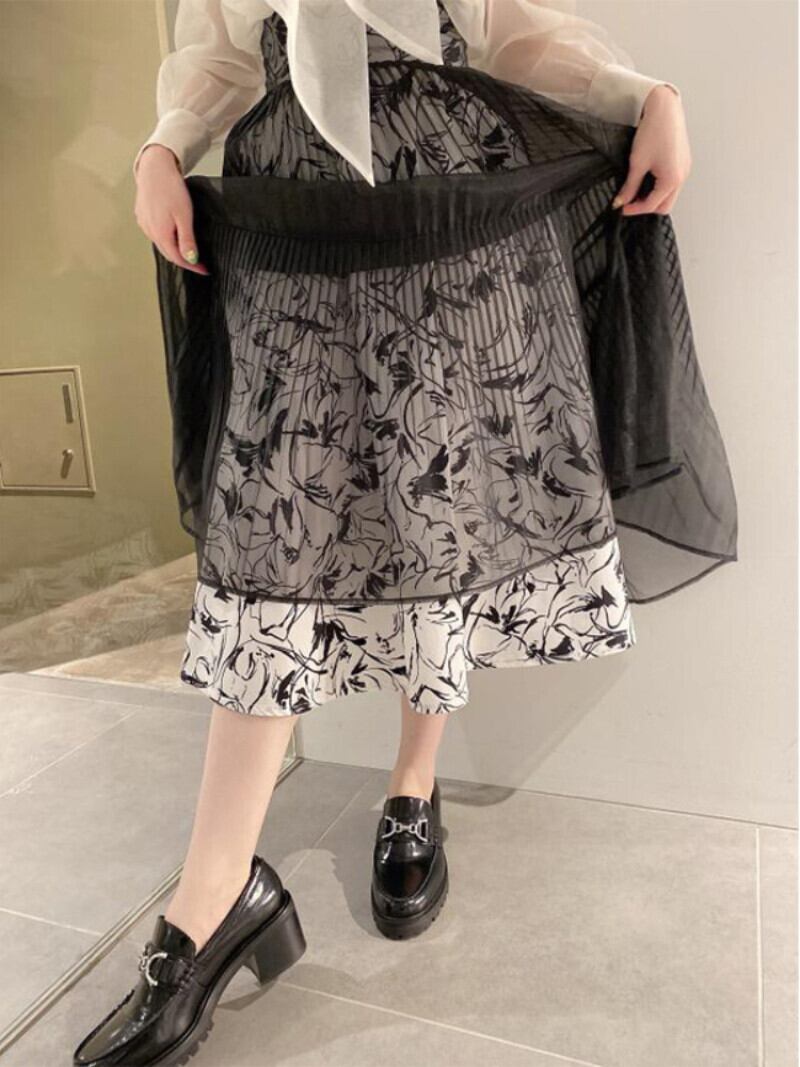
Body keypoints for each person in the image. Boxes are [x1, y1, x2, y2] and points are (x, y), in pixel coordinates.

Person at [73, 2, 736, 1064]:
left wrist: (647, 96)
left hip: (447, 207)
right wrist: (160, 147)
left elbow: (512, 31)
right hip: (291, 216)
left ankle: (410, 787)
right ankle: (217, 887)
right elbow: (219, 53)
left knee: (437, 512)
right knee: (274, 536)